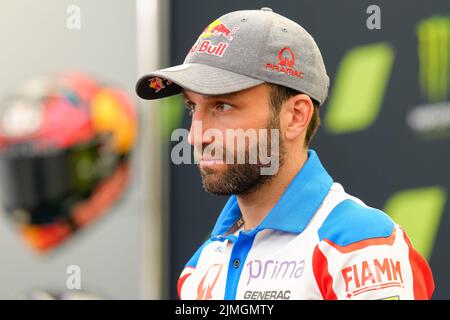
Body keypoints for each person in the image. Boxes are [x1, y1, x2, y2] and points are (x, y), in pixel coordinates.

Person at [136, 8, 434, 300]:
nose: (196, 136)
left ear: (295, 116)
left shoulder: (360, 246)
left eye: (222, 106)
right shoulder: (200, 267)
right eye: (192, 108)